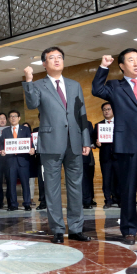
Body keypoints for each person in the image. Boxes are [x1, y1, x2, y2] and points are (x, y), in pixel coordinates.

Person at [92, 49, 137, 245]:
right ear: (122, 66)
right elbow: (96, 89)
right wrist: (103, 67)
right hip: (127, 144)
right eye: (131, 60)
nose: (136, 63)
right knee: (128, 189)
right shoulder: (115, 86)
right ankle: (129, 229)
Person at [24, 46, 91, 244]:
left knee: (76, 187)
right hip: (51, 142)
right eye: (51, 58)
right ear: (44, 64)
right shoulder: (38, 85)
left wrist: (85, 139)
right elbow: (31, 104)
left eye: (59, 57)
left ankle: (77, 228)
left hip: (74, 141)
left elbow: (82, 113)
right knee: (52, 189)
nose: (56, 60)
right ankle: (58, 230)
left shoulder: (74, 84)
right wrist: (28, 80)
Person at [1, 110, 35, 211]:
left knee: (25, 183)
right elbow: (3, 144)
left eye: (15, 116)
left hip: (23, 160)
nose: (13, 118)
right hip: (11, 160)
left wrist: (32, 148)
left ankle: (27, 203)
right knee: (11, 184)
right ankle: (13, 204)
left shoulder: (25, 129)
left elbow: (30, 141)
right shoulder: (5, 131)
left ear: (19, 118)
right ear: (8, 119)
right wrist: (2, 150)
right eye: (11, 116)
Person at [94, 102, 120, 209]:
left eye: (109, 109)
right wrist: (97, 142)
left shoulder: (119, 123)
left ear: (113, 110)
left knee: (118, 178)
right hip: (105, 157)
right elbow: (93, 140)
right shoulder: (98, 125)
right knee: (107, 179)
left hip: (118, 156)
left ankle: (118, 199)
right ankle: (108, 200)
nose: (106, 111)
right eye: (104, 109)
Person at [0, 112, 10, 209]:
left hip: (9, 160)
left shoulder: (10, 130)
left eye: (4, 118)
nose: (2, 120)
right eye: (0, 118)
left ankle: (10, 202)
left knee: (10, 182)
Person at [82, 121, 96, 209]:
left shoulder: (87, 123)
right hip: (70, 155)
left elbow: (91, 137)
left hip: (84, 154)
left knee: (86, 179)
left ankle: (87, 201)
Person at [22, 122, 36, 204]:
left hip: (31, 160)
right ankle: (25, 198)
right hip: (22, 160)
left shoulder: (32, 138)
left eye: (27, 128)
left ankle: (30, 198)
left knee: (32, 181)